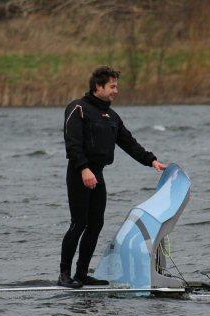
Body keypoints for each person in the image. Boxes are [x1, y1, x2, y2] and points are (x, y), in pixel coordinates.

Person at [59, 66, 168, 288]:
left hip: (97, 174)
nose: (116, 90)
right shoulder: (77, 108)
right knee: (78, 224)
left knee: (95, 224)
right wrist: (83, 169)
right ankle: (64, 275)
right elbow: (72, 143)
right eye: (112, 86)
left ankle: (81, 274)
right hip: (80, 173)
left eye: (116, 86)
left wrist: (151, 161)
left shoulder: (111, 116)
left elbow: (128, 142)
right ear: (98, 86)